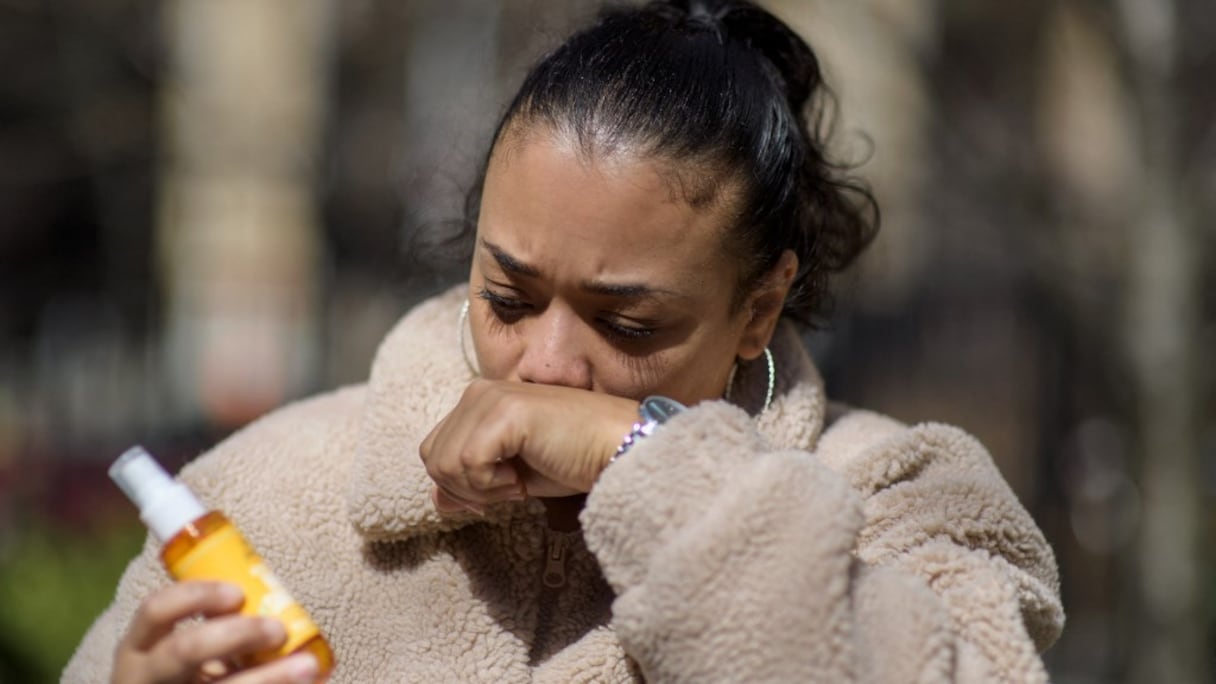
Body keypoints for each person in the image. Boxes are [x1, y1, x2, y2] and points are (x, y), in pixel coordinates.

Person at [64, 1, 1064, 682]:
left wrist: (642, 457)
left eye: (627, 324)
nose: (547, 366)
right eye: (508, 298)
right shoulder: (275, 499)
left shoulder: (899, 495)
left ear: (760, 307)